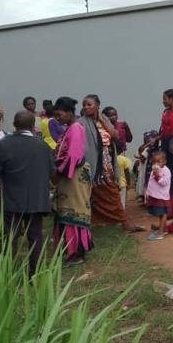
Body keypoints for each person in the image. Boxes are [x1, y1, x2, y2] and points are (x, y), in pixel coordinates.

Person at [0, 110, 55, 276]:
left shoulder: (3, 144)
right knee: (35, 237)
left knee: (9, 238)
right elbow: (52, 171)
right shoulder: (42, 145)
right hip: (37, 199)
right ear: (33, 126)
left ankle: (7, 273)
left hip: (12, 199)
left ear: (14, 125)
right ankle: (34, 274)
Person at [83, 95, 143, 233]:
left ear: (97, 105)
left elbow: (115, 136)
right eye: (84, 105)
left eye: (89, 104)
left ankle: (123, 224)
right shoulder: (81, 123)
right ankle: (123, 224)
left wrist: (103, 121)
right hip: (94, 166)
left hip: (108, 163)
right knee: (98, 196)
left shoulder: (104, 121)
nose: (86, 107)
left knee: (111, 194)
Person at [52, 97, 94, 265]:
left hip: (73, 175)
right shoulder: (69, 128)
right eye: (55, 115)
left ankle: (78, 252)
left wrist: (59, 171)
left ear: (69, 113)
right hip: (67, 174)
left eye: (59, 114)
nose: (57, 118)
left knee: (75, 211)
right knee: (66, 210)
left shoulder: (76, 128)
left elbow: (74, 156)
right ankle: (69, 249)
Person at [146, 151, 172, 241]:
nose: (155, 164)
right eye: (154, 162)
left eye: (158, 161)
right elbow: (151, 182)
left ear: (164, 162)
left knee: (163, 214)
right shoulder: (154, 171)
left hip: (161, 197)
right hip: (155, 196)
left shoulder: (166, 171)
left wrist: (157, 176)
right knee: (160, 214)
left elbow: (164, 183)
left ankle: (160, 233)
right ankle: (163, 229)